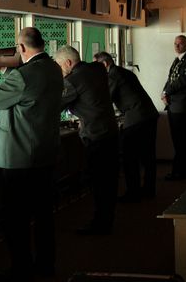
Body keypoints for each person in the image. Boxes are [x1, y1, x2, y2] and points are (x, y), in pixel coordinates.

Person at [0, 27, 62, 282]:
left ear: (20, 48)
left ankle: (21, 268)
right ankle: (45, 265)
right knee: (42, 216)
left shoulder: (22, 76)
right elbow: (27, 92)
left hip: (18, 159)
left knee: (16, 220)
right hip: (45, 153)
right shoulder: (53, 68)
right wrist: (8, 70)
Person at [55, 45, 118, 236]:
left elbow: (56, 105)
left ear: (68, 62)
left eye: (59, 66)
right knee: (108, 182)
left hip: (96, 135)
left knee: (99, 183)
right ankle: (106, 221)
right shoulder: (97, 69)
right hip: (110, 131)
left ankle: (100, 225)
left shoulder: (73, 80)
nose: (60, 71)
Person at [94, 51, 159, 201]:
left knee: (130, 156)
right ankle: (149, 190)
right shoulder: (124, 72)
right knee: (148, 156)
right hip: (148, 114)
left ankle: (133, 192)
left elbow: (105, 99)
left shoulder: (113, 75)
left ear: (104, 64)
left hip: (137, 118)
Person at [161, 35, 186, 180]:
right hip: (174, 105)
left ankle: (181, 172)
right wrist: (164, 92)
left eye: (180, 44)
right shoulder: (178, 60)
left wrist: (167, 92)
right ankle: (181, 171)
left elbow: (182, 81)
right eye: (175, 43)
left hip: (182, 105)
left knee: (180, 140)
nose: (177, 46)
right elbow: (170, 79)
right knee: (178, 140)